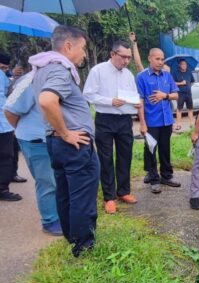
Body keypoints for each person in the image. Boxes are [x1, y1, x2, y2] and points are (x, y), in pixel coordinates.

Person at [30, 25, 99, 257]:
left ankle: (73, 238)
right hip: (73, 144)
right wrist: (67, 132)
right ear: (68, 46)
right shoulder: (59, 69)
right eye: (83, 48)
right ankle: (84, 248)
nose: (84, 54)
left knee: (66, 193)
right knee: (82, 196)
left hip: (57, 143)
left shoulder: (42, 69)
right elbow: (47, 100)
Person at [83, 41, 142, 214]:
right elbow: (88, 94)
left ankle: (123, 191)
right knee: (106, 158)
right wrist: (110, 101)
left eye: (129, 58)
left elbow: (132, 96)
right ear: (112, 54)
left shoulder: (128, 75)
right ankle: (109, 197)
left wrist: (136, 104)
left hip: (124, 119)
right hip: (105, 119)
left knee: (125, 155)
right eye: (123, 57)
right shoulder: (98, 71)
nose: (126, 61)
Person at [4, 83, 62, 235]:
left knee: (57, 180)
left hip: (55, 138)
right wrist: (25, 131)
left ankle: (58, 214)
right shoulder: (31, 81)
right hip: (36, 140)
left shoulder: (60, 75)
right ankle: (50, 221)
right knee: (47, 181)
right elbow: (10, 110)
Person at [136, 48, 181, 194]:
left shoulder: (167, 76)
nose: (160, 62)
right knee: (151, 150)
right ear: (149, 59)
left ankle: (166, 176)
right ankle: (154, 179)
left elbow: (176, 95)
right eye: (157, 59)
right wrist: (142, 123)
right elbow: (140, 102)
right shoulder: (142, 77)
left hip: (166, 120)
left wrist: (165, 95)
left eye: (162, 59)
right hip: (151, 121)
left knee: (165, 149)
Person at [0, 53, 22, 201]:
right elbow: (8, 96)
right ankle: (2, 189)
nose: (4, 70)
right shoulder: (2, 76)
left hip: (4, 122)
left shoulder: (4, 76)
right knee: (6, 156)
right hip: (3, 123)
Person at [173, 59, 195, 130]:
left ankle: (191, 124)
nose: (184, 65)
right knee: (179, 109)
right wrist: (181, 83)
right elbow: (173, 83)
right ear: (179, 65)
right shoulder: (176, 73)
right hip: (180, 94)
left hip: (188, 93)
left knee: (190, 109)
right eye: (182, 64)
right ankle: (178, 124)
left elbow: (192, 81)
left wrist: (188, 87)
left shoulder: (189, 72)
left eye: (185, 64)